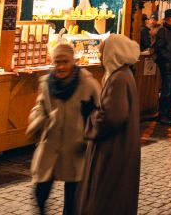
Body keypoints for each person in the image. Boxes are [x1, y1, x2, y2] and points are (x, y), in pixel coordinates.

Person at [27, 44, 100, 215]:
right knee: (40, 189)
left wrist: (90, 129)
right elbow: (40, 106)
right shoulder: (46, 83)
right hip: (51, 143)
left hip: (76, 145)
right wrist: (37, 120)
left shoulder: (87, 83)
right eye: (57, 62)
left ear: (73, 62)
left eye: (65, 62)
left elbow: (100, 109)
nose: (61, 66)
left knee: (73, 197)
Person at [76, 34, 140, 215]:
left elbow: (114, 116)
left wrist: (90, 114)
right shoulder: (123, 74)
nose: (101, 57)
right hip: (119, 147)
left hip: (113, 150)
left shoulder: (119, 78)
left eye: (103, 53)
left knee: (105, 196)